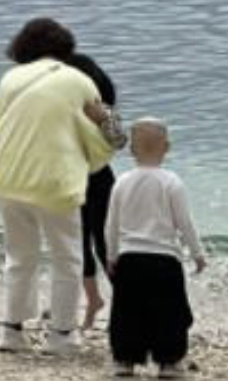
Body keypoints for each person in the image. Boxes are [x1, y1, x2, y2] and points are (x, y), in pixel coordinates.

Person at [0, 18, 116, 355]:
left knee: (19, 256)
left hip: (6, 179)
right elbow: (113, 139)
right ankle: (61, 335)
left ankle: (11, 333)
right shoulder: (79, 80)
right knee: (66, 257)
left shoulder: (10, 79)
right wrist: (106, 120)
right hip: (54, 181)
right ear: (65, 47)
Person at [105, 118, 206, 379]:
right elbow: (184, 222)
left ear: (131, 150)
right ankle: (169, 361)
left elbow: (111, 224)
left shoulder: (122, 182)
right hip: (164, 260)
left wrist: (111, 255)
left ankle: (125, 359)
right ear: (167, 147)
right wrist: (197, 253)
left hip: (130, 258)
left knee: (127, 311)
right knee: (169, 312)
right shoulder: (171, 182)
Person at [64, 52, 128, 330]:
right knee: (78, 244)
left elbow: (120, 141)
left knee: (105, 243)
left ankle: (124, 302)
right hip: (69, 179)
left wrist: (103, 118)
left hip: (99, 178)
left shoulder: (103, 109)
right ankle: (93, 300)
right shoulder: (61, 107)